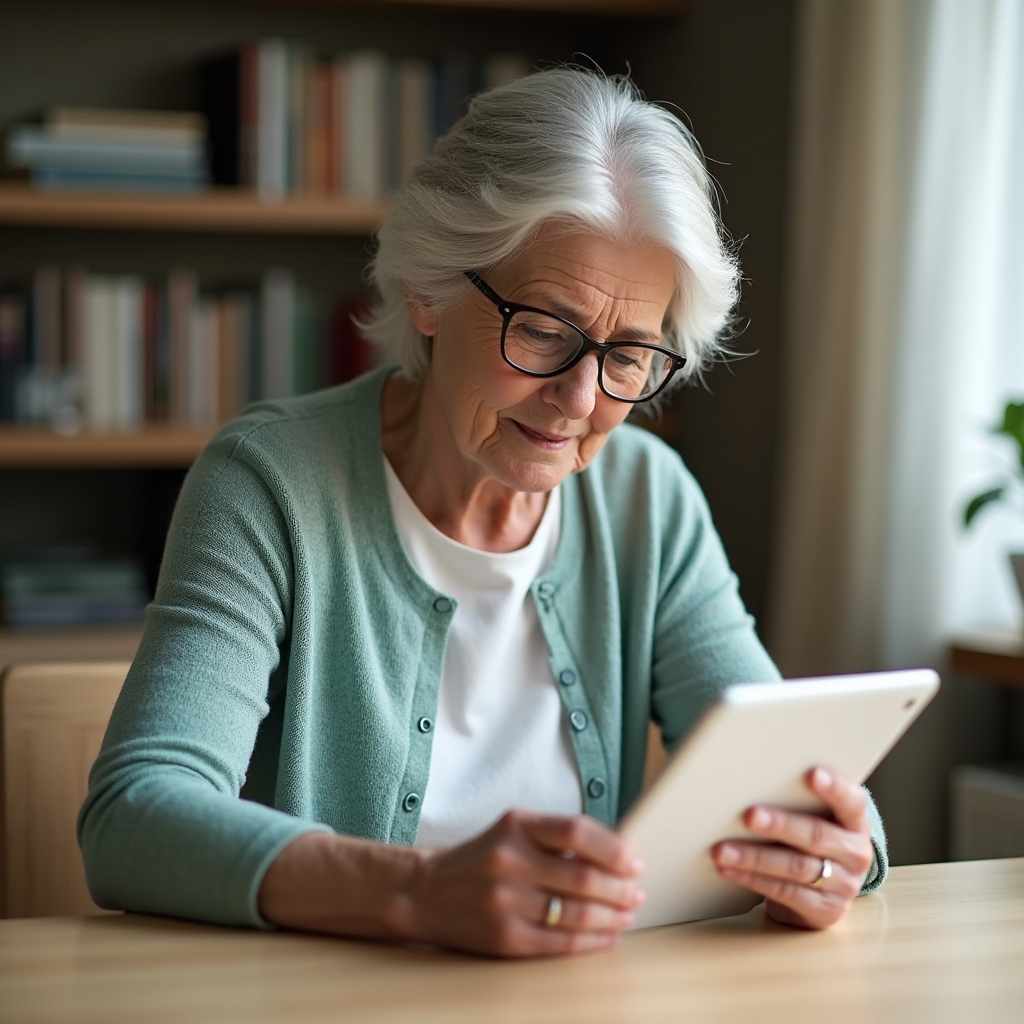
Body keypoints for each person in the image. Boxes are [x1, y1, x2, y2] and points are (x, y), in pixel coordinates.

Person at [79, 68, 884, 957]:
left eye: (629, 354)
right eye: (542, 329)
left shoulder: (649, 499)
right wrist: (419, 894)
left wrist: (836, 849)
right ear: (428, 291)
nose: (581, 399)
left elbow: (781, 767)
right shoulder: (271, 483)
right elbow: (134, 814)